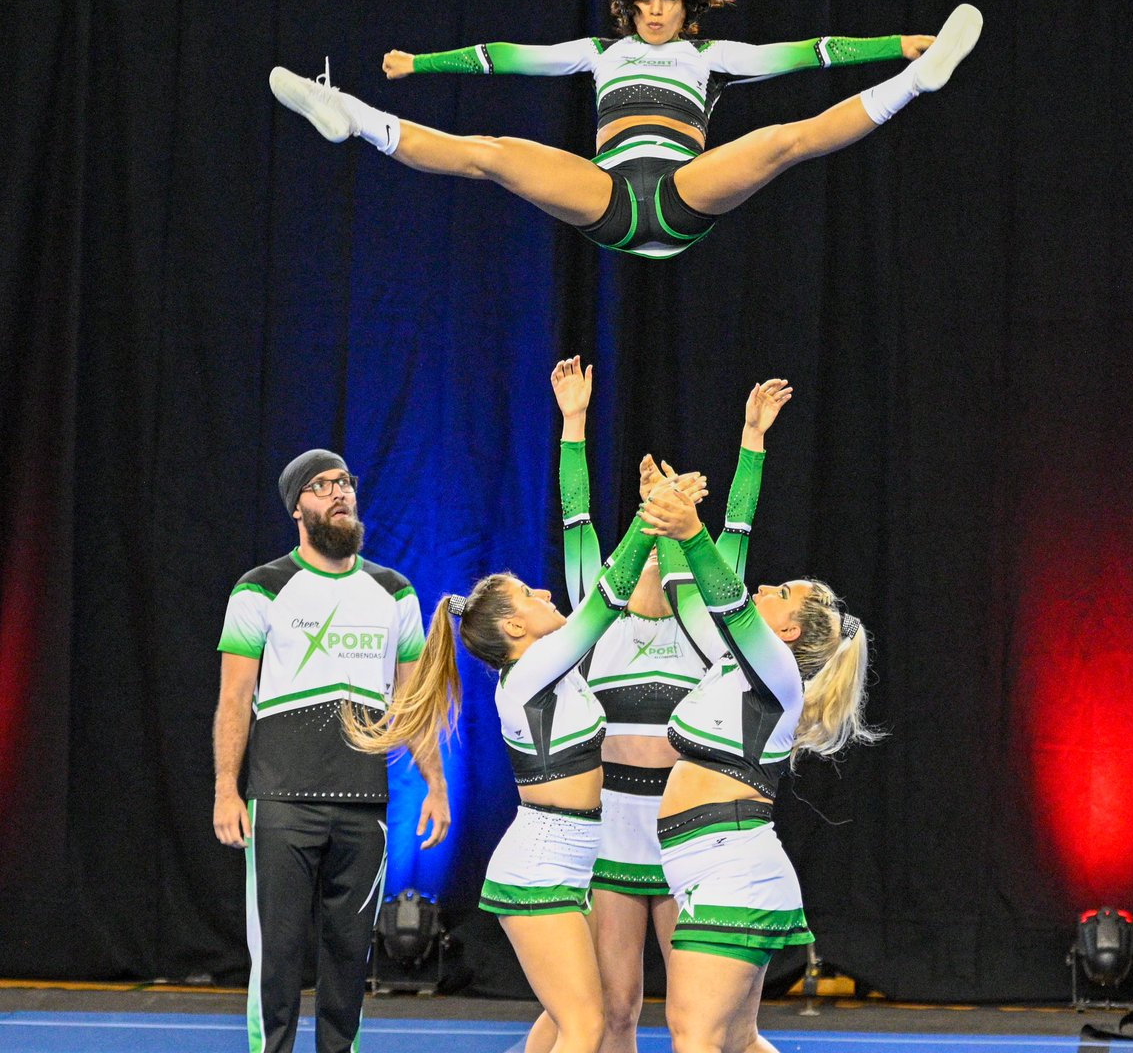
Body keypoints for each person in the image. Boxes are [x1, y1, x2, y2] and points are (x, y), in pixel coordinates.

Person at [268, 0, 982, 260]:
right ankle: (346, 112)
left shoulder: (713, 59)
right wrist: (422, 63)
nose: (656, 11)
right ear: (629, 6)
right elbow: (509, 56)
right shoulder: (598, 52)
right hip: (607, 195)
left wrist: (902, 47)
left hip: (679, 193)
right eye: (645, 1)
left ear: (688, 7)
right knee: (489, 155)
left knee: (783, 141)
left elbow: (813, 50)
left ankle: (920, 84)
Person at [343, 469, 704, 1053]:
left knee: (574, 1019)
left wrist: (583, 442)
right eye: (529, 596)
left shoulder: (557, 672)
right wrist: (650, 515)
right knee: (585, 1027)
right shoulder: (529, 672)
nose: (545, 594)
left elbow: (596, 566)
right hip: (539, 871)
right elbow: (606, 600)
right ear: (515, 627)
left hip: (567, 867)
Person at [543, 356, 791, 1053]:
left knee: (711, 1026)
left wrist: (752, 442)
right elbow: (576, 517)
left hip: (692, 837)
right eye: (643, 546)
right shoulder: (600, 613)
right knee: (615, 1011)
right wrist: (574, 424)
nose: (650, 558)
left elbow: (735, 533)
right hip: (614, 830)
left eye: (661, 549)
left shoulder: (709, 628)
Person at [212, 449, 451, 1053]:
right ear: (299, 508)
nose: (339, 493)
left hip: (364, 804)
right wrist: (226, 790)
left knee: (349, 959)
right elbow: (235, 700)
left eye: (344, 482)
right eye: (321, 486)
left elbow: (412, 701)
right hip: (282, 802)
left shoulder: (394, 592)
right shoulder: (260, 588)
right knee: (279, 954)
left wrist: (437, 786)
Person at [639, 470, 878, 1053]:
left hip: (732, 871)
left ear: (788, 630)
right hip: (713, 869)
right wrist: (666, 510)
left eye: (779, 594)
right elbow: (685, 586)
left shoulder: (777, 671)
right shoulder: (733, 661)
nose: (764, 588)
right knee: (740, 1040)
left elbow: (725, 596)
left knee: (694, 1035)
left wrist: (695, 532)